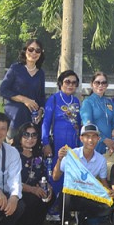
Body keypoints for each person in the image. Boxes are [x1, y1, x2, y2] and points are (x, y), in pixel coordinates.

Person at [53, 124, 113, 225]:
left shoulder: (101, 159)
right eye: (87, 136)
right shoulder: (72, 155)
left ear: (98, 139)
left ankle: (82, 216)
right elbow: (55, 177)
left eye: (94, 136)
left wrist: (109, 192)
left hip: (87, 194)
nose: (91, 140)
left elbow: (103, 181)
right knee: (66, 192)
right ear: (81, 139)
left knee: (107, 206)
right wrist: (59, 159)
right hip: (70, 195)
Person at [41, 69, 81, 208]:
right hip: (57, 142)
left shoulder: (76, 101)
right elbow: (45, 122)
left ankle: (66, 209)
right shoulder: (54, 99)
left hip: (73, 143)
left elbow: (79, 124)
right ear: (60, 83)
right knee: (55, 174)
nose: (70, 85)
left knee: (69, 175)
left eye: (74, 83)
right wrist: (45, 143)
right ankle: (53, 210)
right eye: (67, 82)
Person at [0, 38, 46, 142]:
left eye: (37, 50)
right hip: (15, 117)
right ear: (25, 51)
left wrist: (41, 111)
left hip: (32, 120)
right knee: (13, 151)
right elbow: (3, 90)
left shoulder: (41, 73)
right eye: (31, 49)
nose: (34, 53)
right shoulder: (15, 68)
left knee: (30, 153)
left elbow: (42, 96)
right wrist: (24, 100)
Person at [11, 122, 52, 225]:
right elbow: (12, 180)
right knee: (31, 197)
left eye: (34, 135)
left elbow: (43, 174)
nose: (30, 138)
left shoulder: (38, 155)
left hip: (35, 188)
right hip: (17, 189)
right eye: (26, 135)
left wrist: (47, 187)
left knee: (49, 196)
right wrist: (32, 189)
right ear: (20, 136)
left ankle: (36, 224)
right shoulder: (13, 154)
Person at [80, 71, 114, 156]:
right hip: (93, 143)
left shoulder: (110, 102)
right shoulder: (87, 102)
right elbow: (89, 125)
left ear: (107, 85)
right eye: (97, 82)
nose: (100, 85)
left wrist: (113, 142)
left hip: (109, 146)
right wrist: (104, 139)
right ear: (91, 84)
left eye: (103, 83)